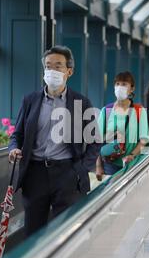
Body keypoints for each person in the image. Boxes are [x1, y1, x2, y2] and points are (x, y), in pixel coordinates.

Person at [8, 46, 101, 236]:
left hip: (67, 173)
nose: (52, 71)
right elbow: (17, 134)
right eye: (48, 66)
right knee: (33, 233)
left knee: (65, 232)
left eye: (58, 66)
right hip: (35, 175)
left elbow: (95, 142)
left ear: (69, 71)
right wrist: (14, 148)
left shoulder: (81, 103)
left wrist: (80, 170)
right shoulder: (30, 101)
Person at [95, 72, 149, 179]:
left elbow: (144, 139)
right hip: (110, 164)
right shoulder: (106, 111)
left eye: (124, 84)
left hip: (133, 163)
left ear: (132, 89)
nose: (120, 87)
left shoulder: (139, 111)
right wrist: (98, 166)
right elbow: (97, 142)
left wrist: (132, 156)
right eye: (117, 84)